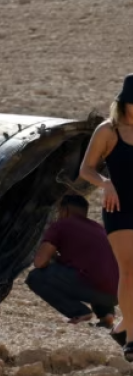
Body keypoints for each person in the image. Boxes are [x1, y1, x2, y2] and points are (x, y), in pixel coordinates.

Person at [80, 74, 133, 358]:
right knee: (129, 268)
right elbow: (86, 169)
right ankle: (132, 339)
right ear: (124, 103)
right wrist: (106, 182)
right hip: (119, 208)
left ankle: (122, 328)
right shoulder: (108, 131)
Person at [26, 194, 118, 327]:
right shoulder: (99, 228)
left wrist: (46, 255)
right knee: (96, 272)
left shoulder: (61, 225)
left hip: (89, 284)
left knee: (35, 277)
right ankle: (106, 315)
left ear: (65, 210)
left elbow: (40, 262)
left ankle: (79, 312)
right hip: (115, 294)